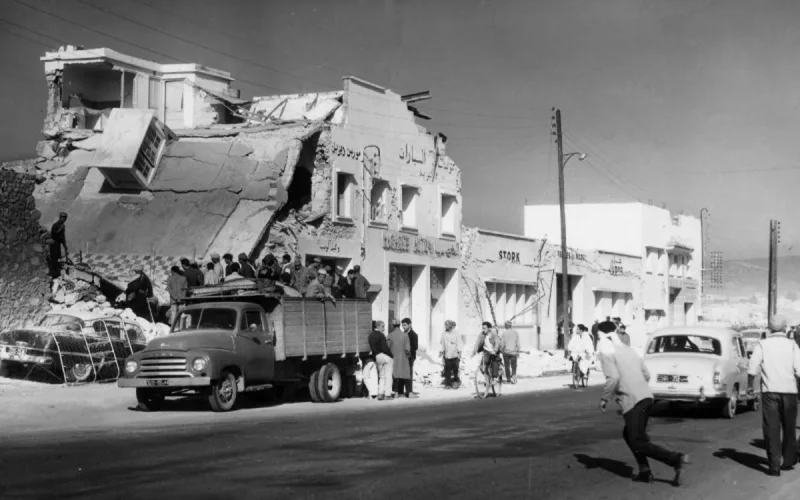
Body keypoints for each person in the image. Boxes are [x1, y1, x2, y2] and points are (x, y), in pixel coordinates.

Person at [599, 334, 689, 485]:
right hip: (646, 396)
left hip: (633, 401)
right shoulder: (630, 352)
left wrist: (605, 398)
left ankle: (675, 459)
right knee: (630, 435)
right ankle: (645, 471)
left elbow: (613, 378)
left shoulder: (607, 355)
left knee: (637, 441)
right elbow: (646, 374)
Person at [747, 314, 800, 476]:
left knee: (771, 428)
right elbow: (799, 370)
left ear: (770, 328)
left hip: (770, 391)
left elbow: (752, 369)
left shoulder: (762, 345)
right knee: (789, 428)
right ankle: (788, 461)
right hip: (790, 392)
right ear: (785, 328)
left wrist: (750, 386)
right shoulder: (792, 346)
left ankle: (774, 465)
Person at [368, 320, 393, 400]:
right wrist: (391, 355)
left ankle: (380, 394)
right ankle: (387, 394)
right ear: (378, 326)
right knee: (388, 375)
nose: (384, 328)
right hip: (384, 356)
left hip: (376, 356)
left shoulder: (370, 335)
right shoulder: (381, 335)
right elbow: (385, 348)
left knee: (381, 376)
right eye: (383, 326)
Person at [388, 319, 412, 398]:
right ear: (399, 325)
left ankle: (396, 392)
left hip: (393, 358)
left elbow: (387, 348)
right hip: (404, 359)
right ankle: (409, 392)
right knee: (406, 374)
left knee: (395, 376)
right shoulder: (405, 335)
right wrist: (408, 356)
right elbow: (407, 349)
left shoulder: (390, 335)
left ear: (392, 326)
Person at [439, 320, 463, 388]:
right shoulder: (443, 333)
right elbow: (442, 343)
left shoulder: (456, 333)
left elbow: (459, 343)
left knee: (455, 369)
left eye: (447, 325)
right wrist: (441, 351)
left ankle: (456, 381)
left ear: (451, 326)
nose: (445, 326)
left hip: (455, 354)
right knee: (447, 369)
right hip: (447, 354)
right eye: (445, 325)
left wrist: (459, 353)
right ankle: (448, 384)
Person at [401, 318, 419, 397]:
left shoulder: (413, 334)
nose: (403, 327)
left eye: (405, 325)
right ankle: (402, 391)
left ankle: (409, 391)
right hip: (403, 357)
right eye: (402, 325)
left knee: (409, 374)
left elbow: (415, 347)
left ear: (409, 325)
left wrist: (407, 350)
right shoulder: (403, 334)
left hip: (410, 357)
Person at [49, 212, 69, 278]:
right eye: (63, 218)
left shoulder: (61, 225)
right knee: (54, 257)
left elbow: (62, 236)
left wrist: (64, 245)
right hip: (54, 244)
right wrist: (60, 229)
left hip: (57, 244)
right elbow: (54, 235)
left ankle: (56, 272)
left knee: (56, 257)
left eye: (64, 218)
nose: (64, 219)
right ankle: (54, 273)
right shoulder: (56, 225)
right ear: (60, 217)